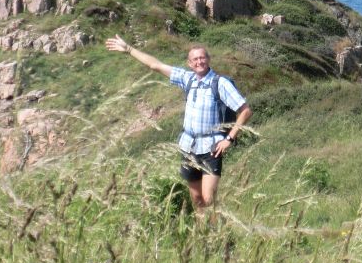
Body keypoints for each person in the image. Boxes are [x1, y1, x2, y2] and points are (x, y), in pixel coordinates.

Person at [105, 35, 252, 211]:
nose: (199, 62)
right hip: (188, 147)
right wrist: (128, 49)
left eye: (202, 58)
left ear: (208, 59)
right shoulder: (187, 78)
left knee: (209, 200)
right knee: (197, 200)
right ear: (189, 63)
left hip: (211, 149)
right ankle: (201, 228)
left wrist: (229, 138)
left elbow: (245, 110)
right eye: (195, 59)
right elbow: (155, 65)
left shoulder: (220, 83)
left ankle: (215, 227)